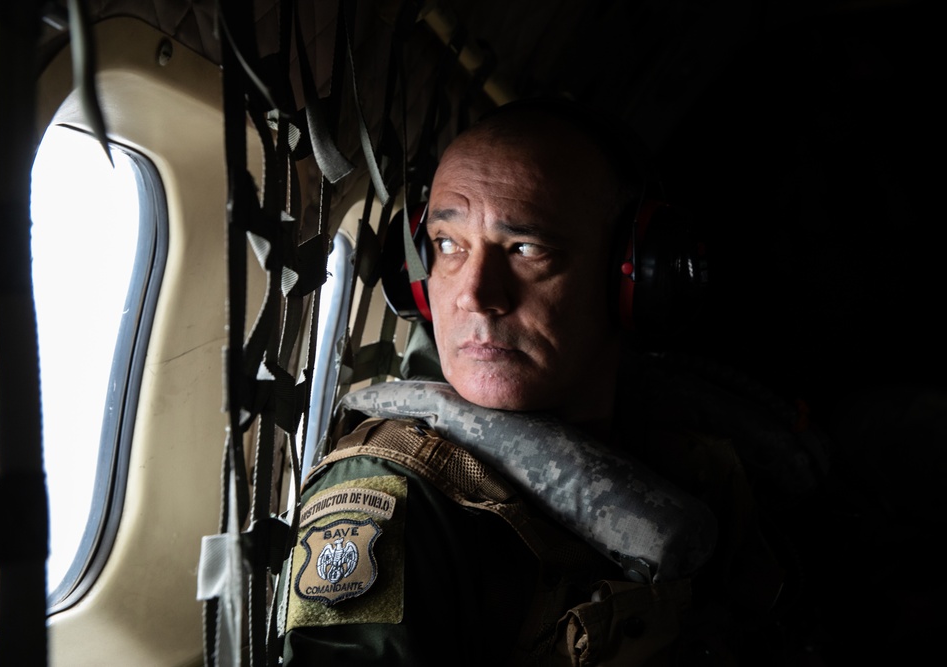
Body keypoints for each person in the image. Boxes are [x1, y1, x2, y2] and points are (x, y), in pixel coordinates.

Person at [282, 99, 778, 665]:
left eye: (526, 248)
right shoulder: (393, 495)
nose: (474, 294)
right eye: (448, 245)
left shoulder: (681, 445)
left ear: (637, 278)